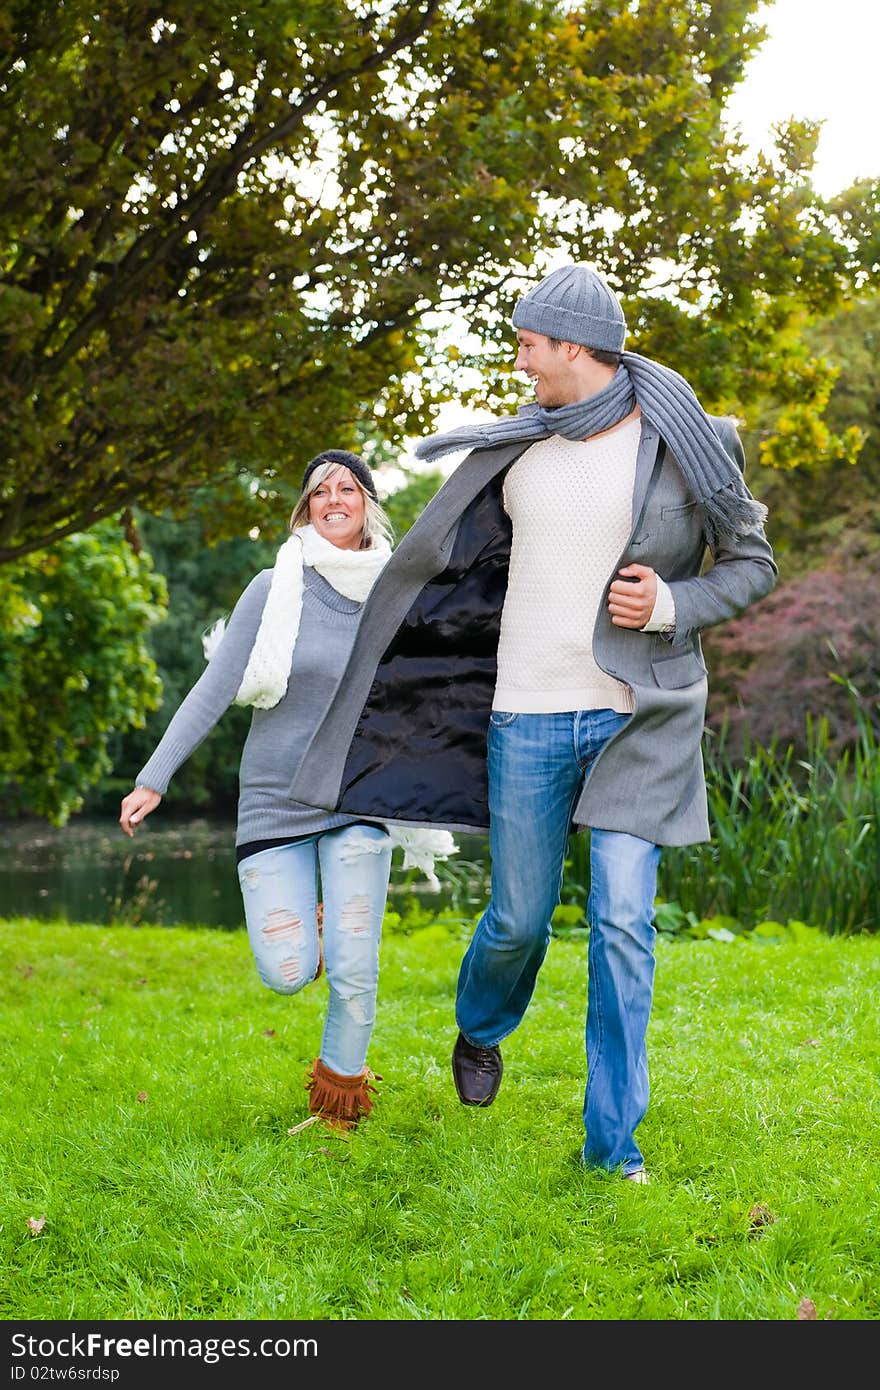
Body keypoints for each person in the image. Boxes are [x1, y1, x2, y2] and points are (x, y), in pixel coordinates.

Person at [287, 264, 778, 1181]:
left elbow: (751, 563)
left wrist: (674, 601)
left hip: (640, 713)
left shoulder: (692, 445)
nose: (518, 359)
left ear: (576, 347)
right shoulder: (514, 450)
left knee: (625, 923)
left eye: (529, 343)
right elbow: (439, 570)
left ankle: (612, 1153)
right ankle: (481, 1026)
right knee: (517, 919)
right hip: (527, 713)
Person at [120, 450, 402, 1134]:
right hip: (275, 800)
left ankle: (339, 1107)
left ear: (367, 502)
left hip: (359, 797)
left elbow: (429, 695)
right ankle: (321, 921)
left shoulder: (399, 592)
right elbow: (216, 686)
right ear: (304, 509)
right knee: (285, 969)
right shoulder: (273, 587)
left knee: (355, 965)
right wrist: (154, 776)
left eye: (348, 488)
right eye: (318, 492)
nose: (334, 499)